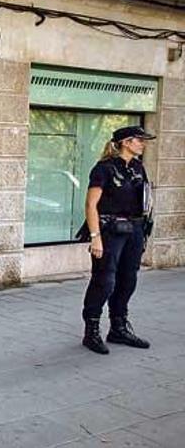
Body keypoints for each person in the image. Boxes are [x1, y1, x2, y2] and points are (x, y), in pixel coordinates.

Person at [80, 125, 155, 355]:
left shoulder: (137, 167)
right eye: (139, 140)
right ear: (126, 142)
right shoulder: (104, 169)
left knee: (127, 280)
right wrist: (95, 238)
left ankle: (118, 327)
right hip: (110, 231)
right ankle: (91, 331)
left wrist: (143, 233)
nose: (143, 144)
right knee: (105, 281)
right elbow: (91, 205)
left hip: (133, 230)